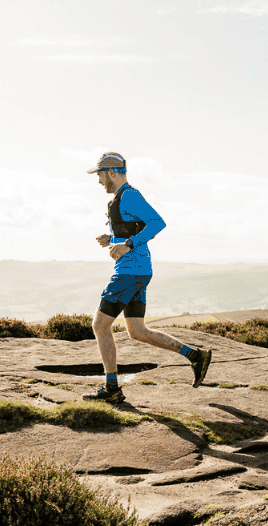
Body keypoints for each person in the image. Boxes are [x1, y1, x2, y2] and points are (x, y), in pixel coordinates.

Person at [82, 152, 211, 404]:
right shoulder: (120, 199)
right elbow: (137, 230)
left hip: (130, 272)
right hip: (138, 271)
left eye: (99, 175)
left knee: (99, 326)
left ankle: (111, 389)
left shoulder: (130, 195)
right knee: (137, 331)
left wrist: (128, 243)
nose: (98, 181)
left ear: (111, 172)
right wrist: (113, 240)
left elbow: (157, 223)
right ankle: (195, 356)